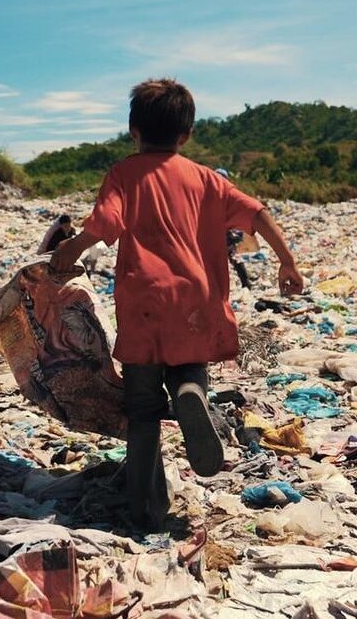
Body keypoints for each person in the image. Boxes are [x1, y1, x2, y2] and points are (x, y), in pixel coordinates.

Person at [50, 78, 303, 531]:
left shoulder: (124, 174)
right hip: (195, 300)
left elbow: (105, 223)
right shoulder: (207, 179)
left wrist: (70, 250)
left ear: (133, 130)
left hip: (143, 300)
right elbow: (259, 213)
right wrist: (287, 263)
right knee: (189, 370)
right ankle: (191, 393)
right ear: (186, 134)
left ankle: (144, 508)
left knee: (142, 409)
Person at [216, 169, 252, 290]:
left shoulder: (224, 196)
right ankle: (245, 282)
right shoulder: (228, 195)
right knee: (233, 259)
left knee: (231, 259)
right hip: (224, 234)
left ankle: (245, 282)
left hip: (226, 234)